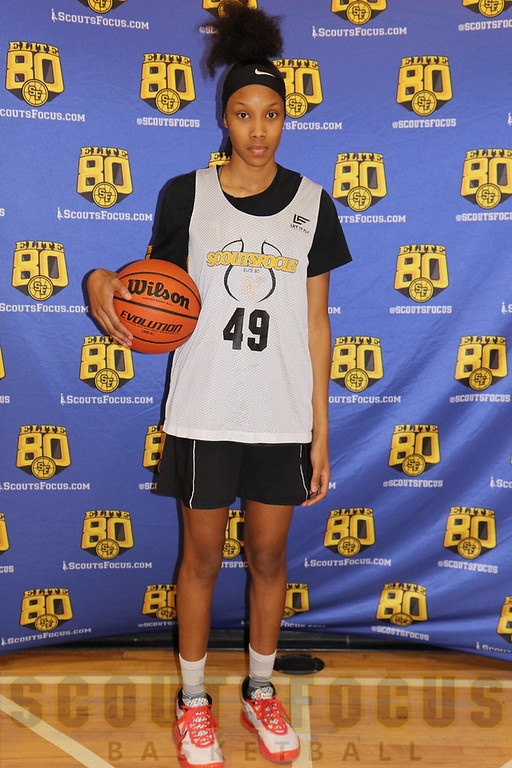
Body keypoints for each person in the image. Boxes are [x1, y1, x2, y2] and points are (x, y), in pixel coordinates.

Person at [87, 3, 351, 766]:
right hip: (204, 410)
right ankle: (193, 700)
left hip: (280, 416)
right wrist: (100, 279)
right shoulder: (186, 195)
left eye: (272, 114)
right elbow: (146, 286)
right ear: (224, 118)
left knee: (268, 559)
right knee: (200, 560)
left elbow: (316, 325)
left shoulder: (313, 204)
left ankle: (260, 690)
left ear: (286, 118)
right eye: (243, 113)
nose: (258, 129)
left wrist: (319, 430)